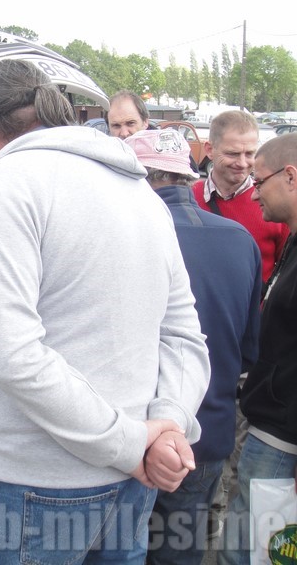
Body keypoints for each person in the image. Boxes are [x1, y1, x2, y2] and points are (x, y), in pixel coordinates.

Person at [0, 59, 210, 564]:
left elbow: (12, 352)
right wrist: (166, 424)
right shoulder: (139, 191)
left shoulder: (7, 180)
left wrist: (138, 440)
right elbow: (184, 335)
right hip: (130, 478)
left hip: (29, 485)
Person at [125, 129, 262, 565]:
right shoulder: (239, 239)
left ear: (141, 178)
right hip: (206, 431)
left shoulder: (127, 235)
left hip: (133, 434)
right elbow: (247, 348)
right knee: (179, 549)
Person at [218, 133, 297, 565]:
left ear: (290, 177)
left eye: (259, 178)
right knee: (246, 537)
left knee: (264, 550)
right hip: (267, 423)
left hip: (283, 438)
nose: (253, 190)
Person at [194, 110, 290, 283]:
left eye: (250, 154)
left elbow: (287, 274)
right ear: (209, 149)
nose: (243, 163)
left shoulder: (274, 205)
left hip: (254, 310)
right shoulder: (188, 198)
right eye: (232, 154)